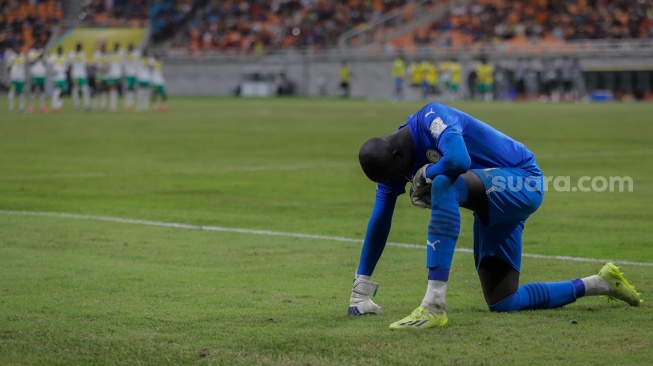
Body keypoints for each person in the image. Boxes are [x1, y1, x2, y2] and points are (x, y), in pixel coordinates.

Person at [348, 102, 643, 329]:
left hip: (522, 180)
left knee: (443, 183)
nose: (397, 183)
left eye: (397, 177)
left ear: (398, 157)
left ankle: (434, 304)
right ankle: (599, 283)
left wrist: (427, 173)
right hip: (492, 202)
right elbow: (380, 218)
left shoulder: (432, 118)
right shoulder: (394, 160)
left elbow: (459, 160)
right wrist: (361, 289)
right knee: (504, 300)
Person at [68, 42, 91, 111]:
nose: (79, 48)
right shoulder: (72, 54)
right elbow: (70, 64)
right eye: (79, 47)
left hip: (82, 75)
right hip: (75, 75)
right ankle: (76, 106)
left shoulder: (82, 54)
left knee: (85, 90)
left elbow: (84, 64)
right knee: (75, 90)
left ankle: (87, 105)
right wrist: (70, 75)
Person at [6, 44, 27, 113]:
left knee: (21, 94)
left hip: (21, 79)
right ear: (15, 50)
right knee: (11, 93)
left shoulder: (23, 57)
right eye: (16, 49)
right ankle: (11, 108)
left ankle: (22, 108)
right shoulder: (12, 57)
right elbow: (8, 67)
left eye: (19, 49)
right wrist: (10, 75)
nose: (18, 50)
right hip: (13, 79)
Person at [28, 45, 48, 113]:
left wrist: (42, 57)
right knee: (33, 90)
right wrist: (38, 57)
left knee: (42, 91)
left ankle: (42, 106)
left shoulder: (43, 53)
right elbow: (30, 62)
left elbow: (45, 63)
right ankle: (31, 106)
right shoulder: (32, 52)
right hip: (34, 74)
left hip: (42, 74)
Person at [48, 46, 68, 112]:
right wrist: (51, 71)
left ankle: (58, 106)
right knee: (56, 91)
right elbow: (48, 64)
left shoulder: (64, 57)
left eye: (61, 51)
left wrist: (64, 71)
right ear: (57, 51)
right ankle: (54, 107)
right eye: (59, 50)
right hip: (56, 78)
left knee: (62, 92)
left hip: (62, 77)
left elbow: (66, 67)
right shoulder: (53, 57)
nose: (60, 52)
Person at [106, 42, 124, 112]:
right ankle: (112, 105)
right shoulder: (111, 54)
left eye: (117, 47)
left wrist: (122, 74)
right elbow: (108, 63)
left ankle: (114, 105)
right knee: (112, 89)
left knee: (116, 89)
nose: (116, 48)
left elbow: (122, 65)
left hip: (118, 74)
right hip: (111, 74)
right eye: (116, 47)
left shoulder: (121, 54)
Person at [123, 43, 141, 111]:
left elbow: (137, 64)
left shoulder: (136, 55)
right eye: (130, 47)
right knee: (127, 90)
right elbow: (123, 64)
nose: (130, 48)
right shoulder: (125, 55)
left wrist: (137, 74)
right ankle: (127, 105)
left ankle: (131, 105)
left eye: (131, 47)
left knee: (132, 91)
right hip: (127, 75)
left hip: (133, 75)